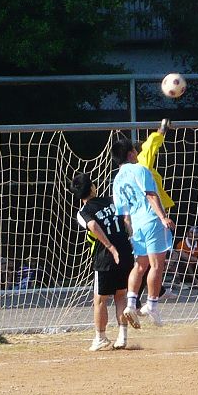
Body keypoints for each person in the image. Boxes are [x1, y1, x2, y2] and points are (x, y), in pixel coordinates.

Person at [71, 172, 139, 351]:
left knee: (100, 300)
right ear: (93, 188)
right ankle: (122, 337)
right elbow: (126, 215)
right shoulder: (111, 200)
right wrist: (130, 236)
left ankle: (100, 337)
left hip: (105, 257)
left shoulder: (83, 212)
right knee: (121, 295)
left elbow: (93, 225)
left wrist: (110, 247)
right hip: (125, 252)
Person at [112, 132, 174, 326]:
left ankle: (131, 304)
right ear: (131, 153)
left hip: (136, 226)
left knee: (139, 266)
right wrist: (163, 217)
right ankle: (152, 305)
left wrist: (131, 233)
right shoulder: (140, 169)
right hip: (151, 220)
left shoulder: (117, 180)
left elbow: (124, 214)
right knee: (156, 265)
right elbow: (150, 194)